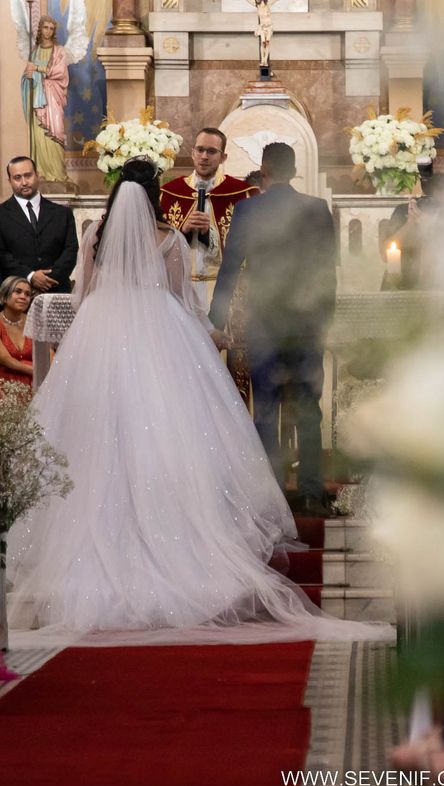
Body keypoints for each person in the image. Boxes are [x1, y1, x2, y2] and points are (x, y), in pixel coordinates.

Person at [5, 157, 390, 645]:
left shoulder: (94, 235)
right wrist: (211, 332)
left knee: (97, 435)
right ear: (154, 194)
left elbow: (83, 295)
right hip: (159, 337)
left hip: (99, 336)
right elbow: (181, 298)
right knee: (167, 433)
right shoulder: (167, 238)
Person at [210, 143, 336, 517]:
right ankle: (312, 492)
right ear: (294, 170)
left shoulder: (248, 209)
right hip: (307, 323)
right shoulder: (316, 209)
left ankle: (274, 497)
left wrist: (214, 321)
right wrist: (326, 321)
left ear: (264, 170)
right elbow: (328, 271)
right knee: (309, 409)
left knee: (266, 408)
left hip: (265, 323)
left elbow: (231, 267)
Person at [160, 128, 258, 312]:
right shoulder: (169, 193)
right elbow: (157, 249)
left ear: (223, 157)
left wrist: (210, 233)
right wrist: (183, 231)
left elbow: (253, 249)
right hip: (181, 290)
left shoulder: (243, 194)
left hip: (225, 294)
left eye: (212, 151)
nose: (204, 156)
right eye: (200, 149)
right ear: (192, 153)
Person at [0, 156, 78, 294]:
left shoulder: (62, 213)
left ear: (37, 175)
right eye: (17, 178)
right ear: (10, 181)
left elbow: (70, 251)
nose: (24, 182)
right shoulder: (2, 214)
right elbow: (2, 254)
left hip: (56, 291)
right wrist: (30, 277)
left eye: (28, 175)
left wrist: (47, 280)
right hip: (14, 294)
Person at [380, 172, 444, 289]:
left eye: (442, 203)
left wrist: (430, 228)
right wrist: (409, 224)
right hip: (399, 284)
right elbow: (385, 255)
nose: (434, 207)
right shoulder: (404, 211)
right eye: (433, 200)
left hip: (433, 289)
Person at [21, 16, 69, 183]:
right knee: (39, 136)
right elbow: (27, 76)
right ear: (40, 29)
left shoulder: (59, 51)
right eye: (45, 27)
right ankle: (40, 172)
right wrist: (28, 77)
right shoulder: (33, 52)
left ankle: (58, 175)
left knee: (55, 131)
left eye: (51, 28)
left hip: (52, 98)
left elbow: (60, 72)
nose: (48, 31)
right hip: (37, 101)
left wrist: (37, 69)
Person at [0, 276, 33, 388]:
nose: (23, 297)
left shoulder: (34, 322)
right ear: (3, 297)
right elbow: (5, 359)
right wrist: (35, 371)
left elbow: (49, 354)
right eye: (18, 292)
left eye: (28, 294)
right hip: (6, 384)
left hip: (36, 382)